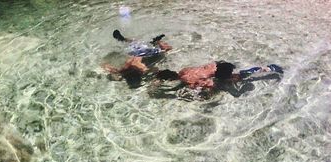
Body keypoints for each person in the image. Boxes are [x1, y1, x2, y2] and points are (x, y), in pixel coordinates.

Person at [103, 30, 283, 96]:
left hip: (217, 72)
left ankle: (267, 69)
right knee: (240, 76)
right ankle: (266, 68)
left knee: (239, 79)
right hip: (216, 65)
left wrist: (204, 93)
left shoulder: (184, 76)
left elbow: (207, 88)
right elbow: (203, 73)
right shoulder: (184, 71)